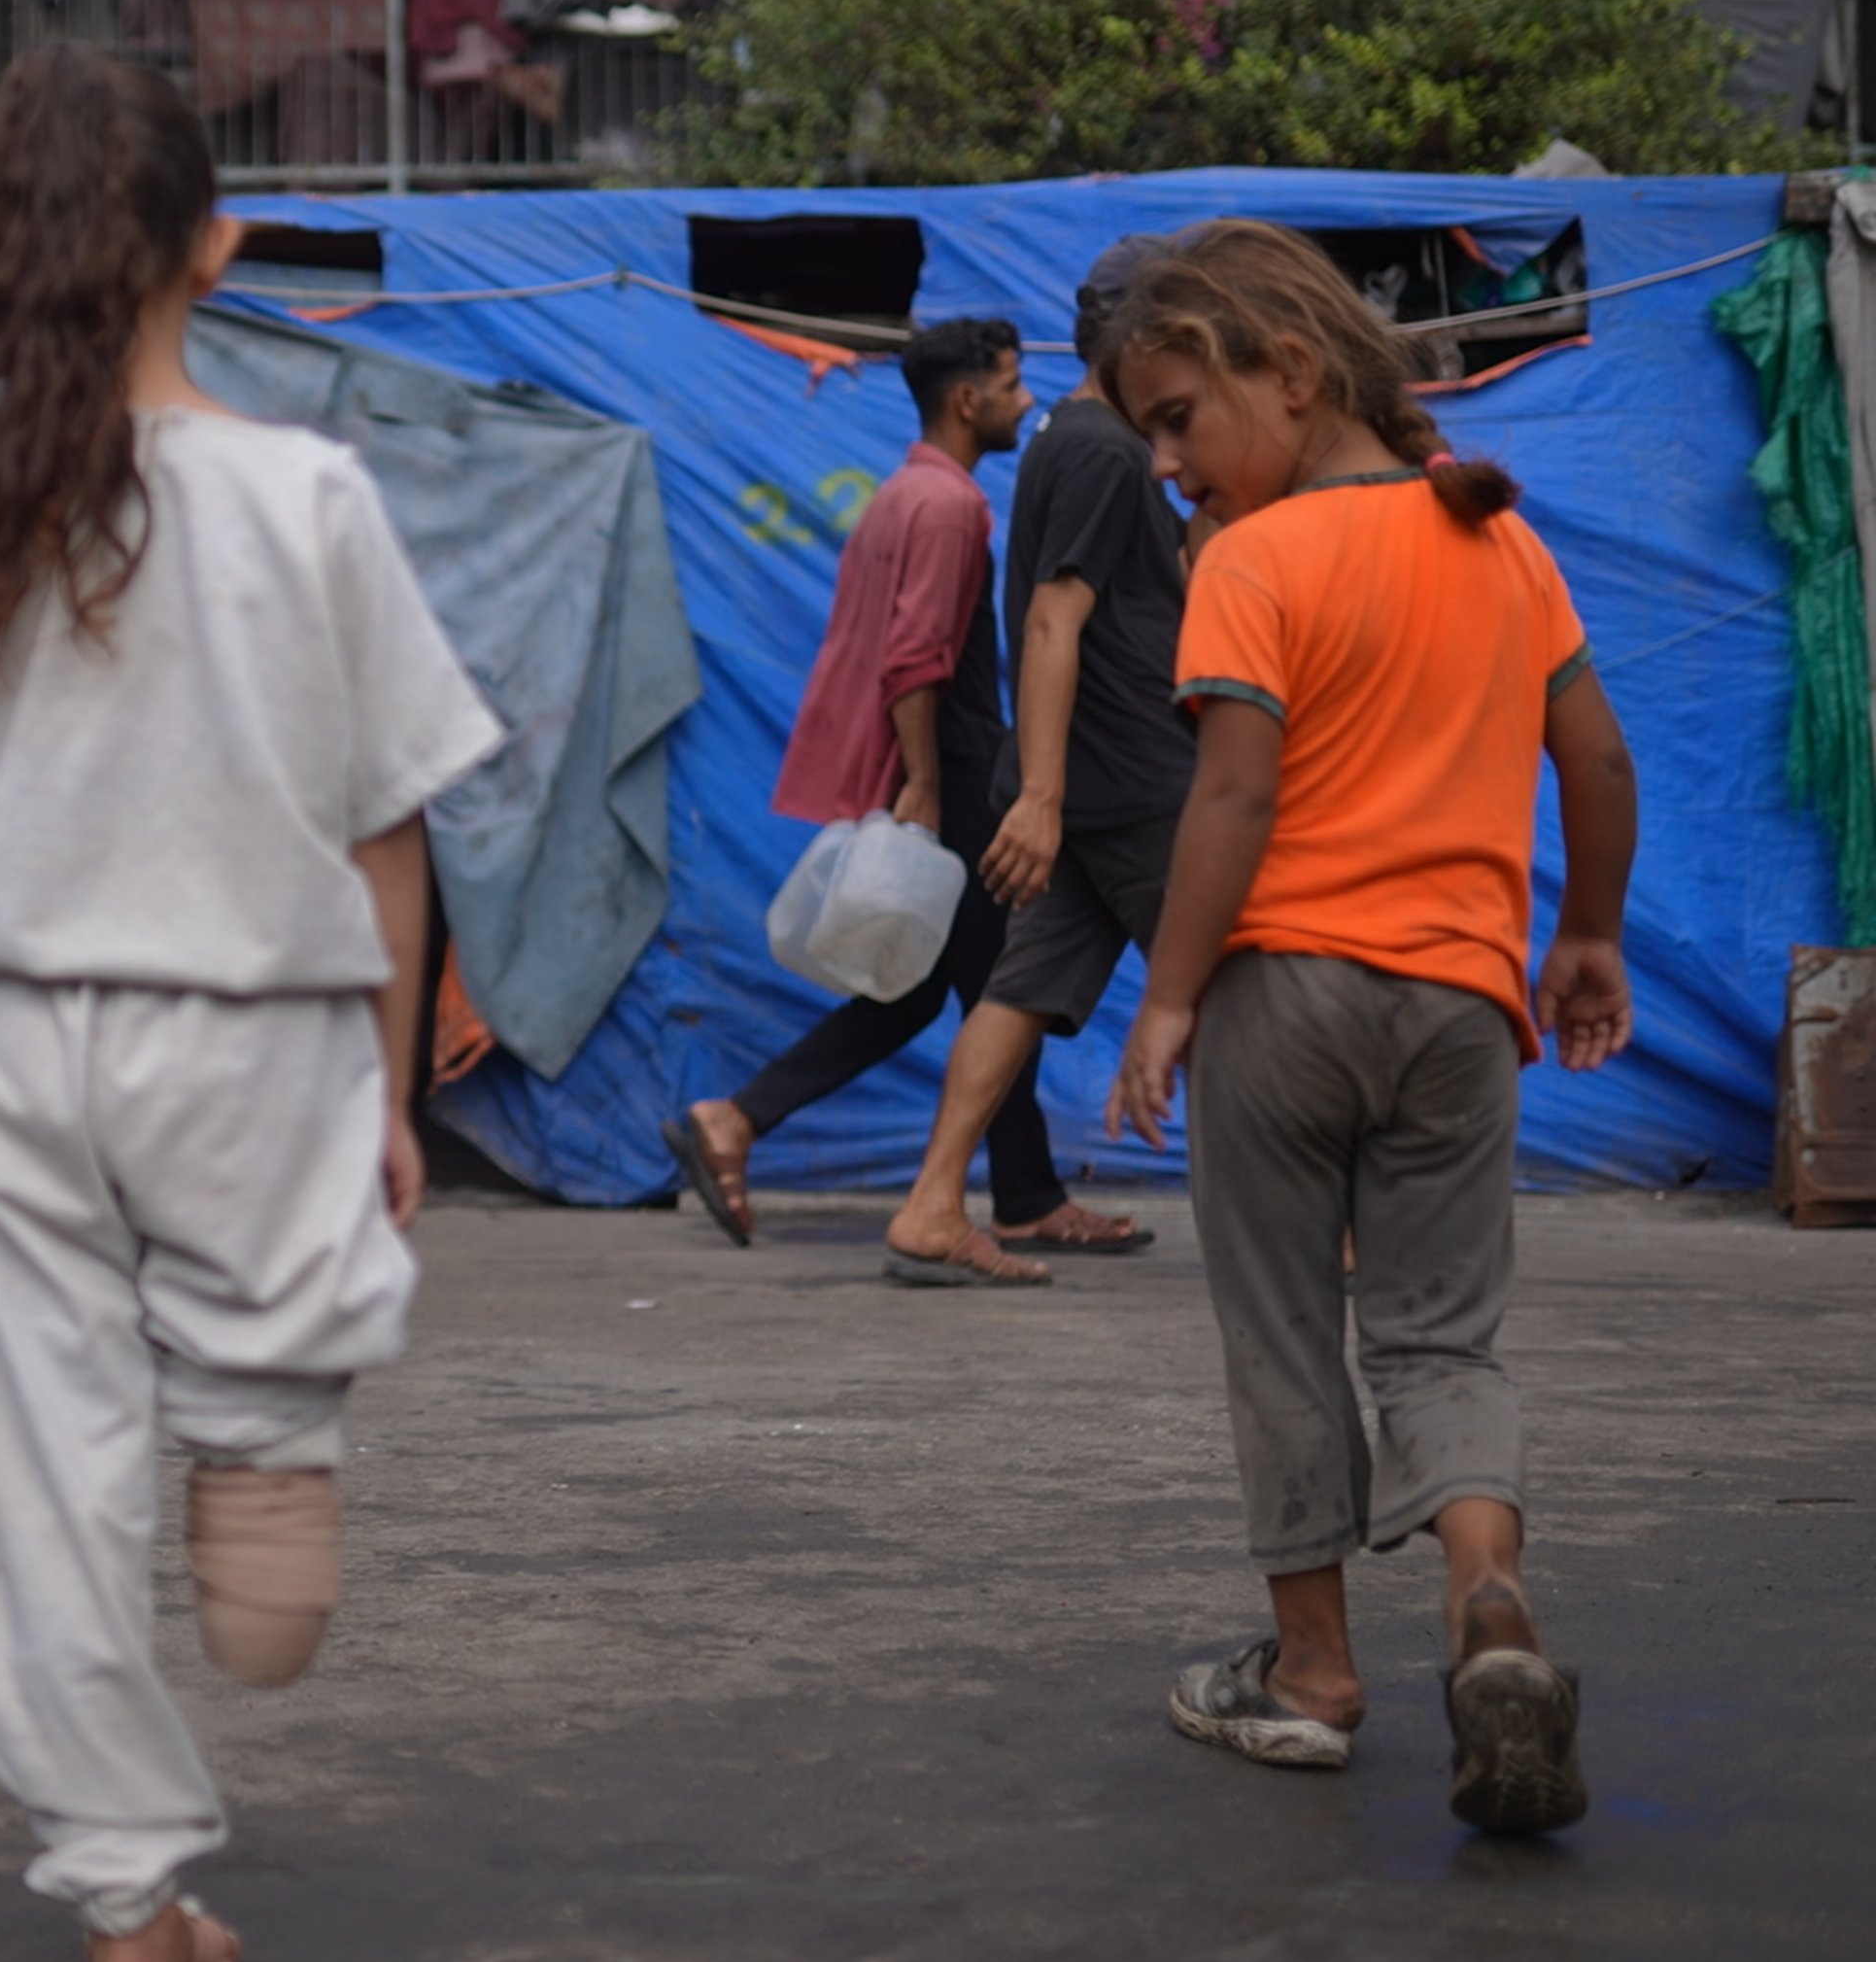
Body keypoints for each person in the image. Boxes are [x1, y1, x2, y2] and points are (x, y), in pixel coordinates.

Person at [0, 46, 501, 1962]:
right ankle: (260, 1420)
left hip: (17, 1035)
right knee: (267, 1557)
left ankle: (131, 1905)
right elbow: (389, 836)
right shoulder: (308, 499)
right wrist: (387, 1101)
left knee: (41, 1479)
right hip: (260, 1039)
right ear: (223, 245)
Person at [1098, 221, 1636, 1837]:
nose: (1170, 466)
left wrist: (1173, 994)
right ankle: (1492, 1616)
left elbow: (1237, 793)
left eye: (1182, 419)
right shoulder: (1499, 544)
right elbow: (1597, 765)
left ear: (1291, 372)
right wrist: (1588, 936)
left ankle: (1317, 1675)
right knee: (1439, 1337)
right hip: (1467, 1008)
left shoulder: (1254, 563)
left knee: (1281, 1330)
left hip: (1288, 995)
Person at [662, 317, 1137, 1280]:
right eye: (1008, 385)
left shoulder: (899, 494)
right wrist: (923, 780)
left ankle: (745, 1119)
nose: (1021, 401)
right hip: (954, 768)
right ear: (967, 401)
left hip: (945, 764)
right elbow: (913, 658)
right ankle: (1023, 1196)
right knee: (1005, 981)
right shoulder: (951, 507)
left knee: (951, 988)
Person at [878, 240, 1186, 1280]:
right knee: (1242, 987)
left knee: (1015, 993)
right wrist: (1042, 798)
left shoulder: (1063, 430)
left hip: (1085, 781)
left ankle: (930, 1207)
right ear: (1138, 345)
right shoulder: (1102, 450)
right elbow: (1057, 619)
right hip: (1131, 779)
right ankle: (1323, 1218)